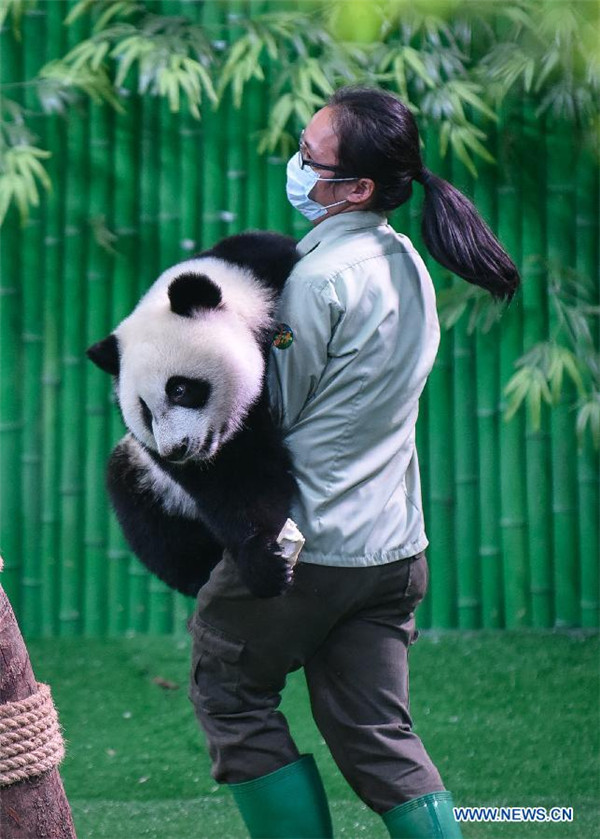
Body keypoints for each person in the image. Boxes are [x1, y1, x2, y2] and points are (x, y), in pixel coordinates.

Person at [188, 85, 519, 839]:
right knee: (379, 736)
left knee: (230, 689)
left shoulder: (316, 279)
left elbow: (271, 412)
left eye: (310, 156)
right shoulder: (407, 263)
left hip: (309, 549)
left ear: (357, 187)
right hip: (393, 550)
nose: (296, 164)